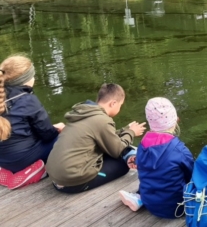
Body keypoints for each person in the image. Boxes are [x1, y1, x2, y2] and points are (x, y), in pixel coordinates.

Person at [46, 83, 145, 193]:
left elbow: (102, 135)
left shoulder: (84, 113)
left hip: (55, 176)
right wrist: (131, 132)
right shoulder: (102, 120)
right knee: (122, 164)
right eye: (120, 105)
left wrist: (125, 130)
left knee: (107, 150)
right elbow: (118, 150)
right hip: (70, 182)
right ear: (113, 103)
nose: (119, 109)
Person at [118, 97, 194, 218]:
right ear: (174, 120)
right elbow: (192, 176)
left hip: (150, 203)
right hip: (177, 208)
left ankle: (139, 197)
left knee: (152, 177)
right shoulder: (180, 150)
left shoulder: (143, 145)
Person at [0, 54, 65, 189]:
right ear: (25, 80)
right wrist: (58, 129)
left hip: (3, 159)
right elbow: (47, 134)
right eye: (32, 75)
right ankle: (35, 171)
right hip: (22, 159)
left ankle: (6, 170)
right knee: (65, 136)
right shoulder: (27, 100)